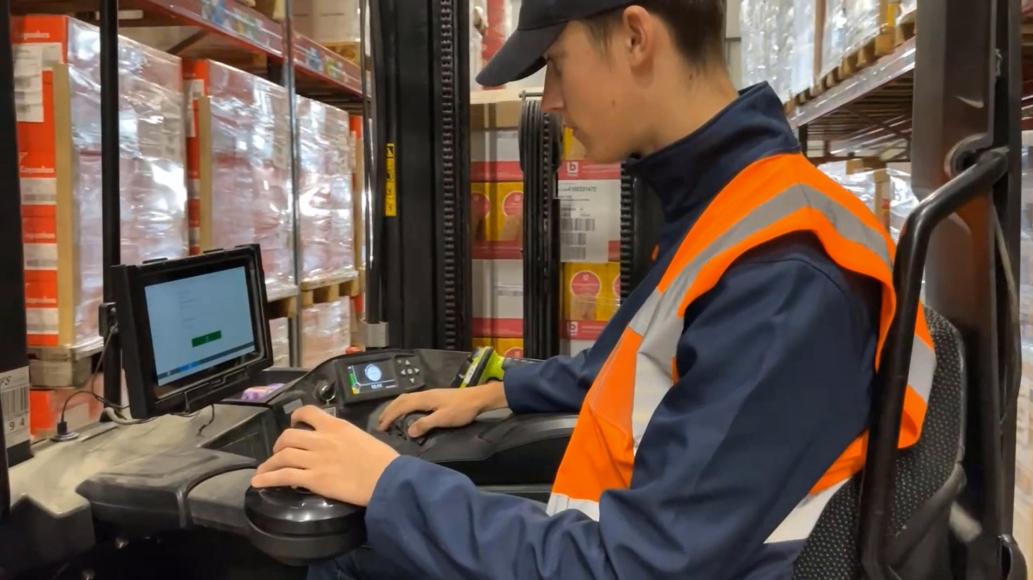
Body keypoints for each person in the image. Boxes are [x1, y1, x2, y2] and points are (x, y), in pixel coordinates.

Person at [252, 0, 936, 578]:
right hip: (659, 539)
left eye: (555, 64)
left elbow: (633, 566)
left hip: (657, 559)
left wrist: (388, 484)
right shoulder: (738, 204)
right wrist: (494, 393)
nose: (548, 102)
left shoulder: (781, 276)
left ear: (636, 38)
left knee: (335, 554)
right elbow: (640, 374)